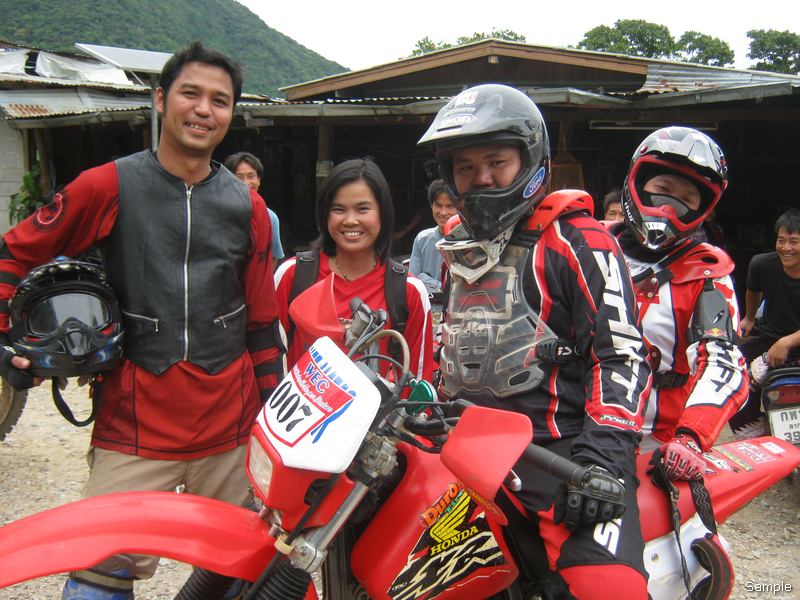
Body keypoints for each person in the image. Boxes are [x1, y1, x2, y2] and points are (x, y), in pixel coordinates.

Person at [0, 42, 283, 600]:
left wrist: (272, 419)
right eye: (190, 94)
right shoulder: (106, 184)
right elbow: (14, 253)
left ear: (231, 113)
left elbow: (261, 321)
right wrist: (4, 341)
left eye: (220, 100)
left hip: (229, 426)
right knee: (97, 577)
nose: (203, 109)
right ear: (160, 99)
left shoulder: (248, 206)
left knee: (243, 573)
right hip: (134, 423)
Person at [417, 84, 652, 599]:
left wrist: (602, 461)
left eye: (496, 162)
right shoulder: (457, 246)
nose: (480, 178)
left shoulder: (580, 240)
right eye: (464, 166)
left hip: (559, 452)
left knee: (605, 588)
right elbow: (453, 343)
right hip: (465, 447)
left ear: (529, 161)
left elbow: (622, 356)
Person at [611, 127, 748, 472]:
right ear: (637, 182)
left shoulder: (707, 274)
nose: (671, 204)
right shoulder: (587, 245)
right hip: (566, 424)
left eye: (688, 197)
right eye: (663, 189)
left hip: (654, 443)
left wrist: (691, 436)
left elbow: (723, 361)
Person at [274, 157, 433, 384]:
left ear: (383, 213)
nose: (350, 220)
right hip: (301, 406)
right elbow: (270, 360)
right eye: (338, 209)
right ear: (324, 214)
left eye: (363, 209)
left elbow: (417, 384)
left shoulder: (409, 290)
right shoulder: (292, 275)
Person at [729, 208, 800, 437]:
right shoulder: (762, 264)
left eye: (794, 242)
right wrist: (749, 317)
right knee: (730, 371)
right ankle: (758, 430)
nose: (786, 248)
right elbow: (753, 289)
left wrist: (786, 342)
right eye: (781, 240)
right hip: (769, 338)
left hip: (789, 344)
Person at [223, 151, 285, 269]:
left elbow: (272, 258)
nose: (246, 183)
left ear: (259, 180)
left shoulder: (270, 217)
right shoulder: (219, 212)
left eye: (251, 176)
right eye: (239, 177)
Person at [409, 178, 457, 308]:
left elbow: (460, 289)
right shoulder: (422, 239)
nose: (443, 212)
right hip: (426, 309)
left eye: (450, 206)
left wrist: (426, 279)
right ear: (431, 206)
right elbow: (413, 282)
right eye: (438, 205)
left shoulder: (467, 242)